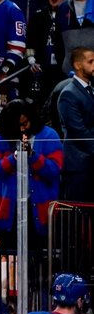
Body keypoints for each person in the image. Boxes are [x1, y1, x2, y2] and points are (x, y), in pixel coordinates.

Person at [0, 99, 63, 238]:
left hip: (40, 211)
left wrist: (32, 156)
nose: (22, 129)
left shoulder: (49, 135)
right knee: (8, 257)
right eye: (17, 125)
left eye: (25, 123)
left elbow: (54, 170)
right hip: (8, 211)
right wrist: (14, 158)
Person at [56, 46, 94, 202]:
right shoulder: (68, 94)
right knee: (78, 218)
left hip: (89, 164)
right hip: (79, 166)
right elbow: (79, 132)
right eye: (91, 61)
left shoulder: (89, 90)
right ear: (78, 65)